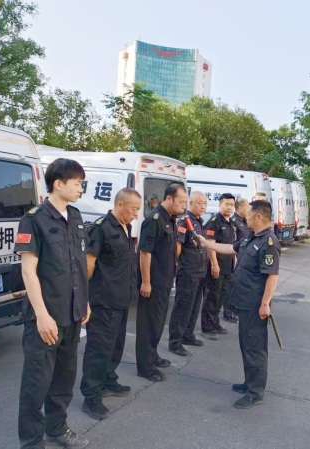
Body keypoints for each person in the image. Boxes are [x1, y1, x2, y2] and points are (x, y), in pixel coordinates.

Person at [15, 159, 90, 449]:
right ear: (59, 184)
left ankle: (57, 429)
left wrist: (85, 302)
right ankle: (31, 441)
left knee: (64, 379)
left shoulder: (77, 216)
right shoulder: (34, 219)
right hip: (47, 318)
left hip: (72, 314)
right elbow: (28, 271)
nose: (81, 188)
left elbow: (78, 265)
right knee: (36, 383)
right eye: (78, 183)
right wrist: (42, 315)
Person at [198, 200, 280, 409]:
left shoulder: (269, 242)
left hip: (255, 305)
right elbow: (230, 248)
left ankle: (255, 393)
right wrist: (207, 244)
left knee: (255, 348)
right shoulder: (251, 237)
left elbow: (272, 276)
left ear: (259, 217)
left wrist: (265, 304)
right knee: (246, 345)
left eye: (249, 214)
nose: (245, 217)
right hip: (244, 303)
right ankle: (249, 382)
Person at [80, 188, 142, 420]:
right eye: (134, 209)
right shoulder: (101, 228)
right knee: (99, 349)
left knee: (115, 346)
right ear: (119, 204)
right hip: (103, 301)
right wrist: (84, 298)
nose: (136, 214)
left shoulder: (125, 227)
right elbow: (88, 265)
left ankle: (108, 380)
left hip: (121, 300)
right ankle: (91, 397)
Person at [136, 184, 188, 381]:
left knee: (158, 322)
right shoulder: (154, 220)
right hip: (153, 283)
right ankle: (145, 367)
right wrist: (146, 282)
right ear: (169, 199)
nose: (184, 206)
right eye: (181, 202)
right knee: (149, 324)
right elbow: (145, 253)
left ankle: (153, 355)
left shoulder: (171, 219)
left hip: (165, 281)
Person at [168, 191, 209, 357]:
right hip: (188, 272)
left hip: (200, 272)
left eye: (205, 203)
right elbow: (177, 248)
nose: (203, 206)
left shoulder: (200, 222)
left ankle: (188, 335)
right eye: (200, 203)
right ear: (191, 203)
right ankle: (175, 342)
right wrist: (174, 268)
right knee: (183, 308)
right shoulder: (185, 222)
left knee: (194, 307)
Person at [201, 193, 237, 336]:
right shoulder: (214, 222)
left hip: (228, 267)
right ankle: (207, 327)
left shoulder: (232, 223)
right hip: (218, 267)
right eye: (226, 204)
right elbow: (210, 246)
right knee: (212, 298)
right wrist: (214, 264)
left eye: (232, 205)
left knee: (221, 298)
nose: (229, 207)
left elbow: (232, 245)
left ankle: (215, 324)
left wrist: (235, 261)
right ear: (220, 205)